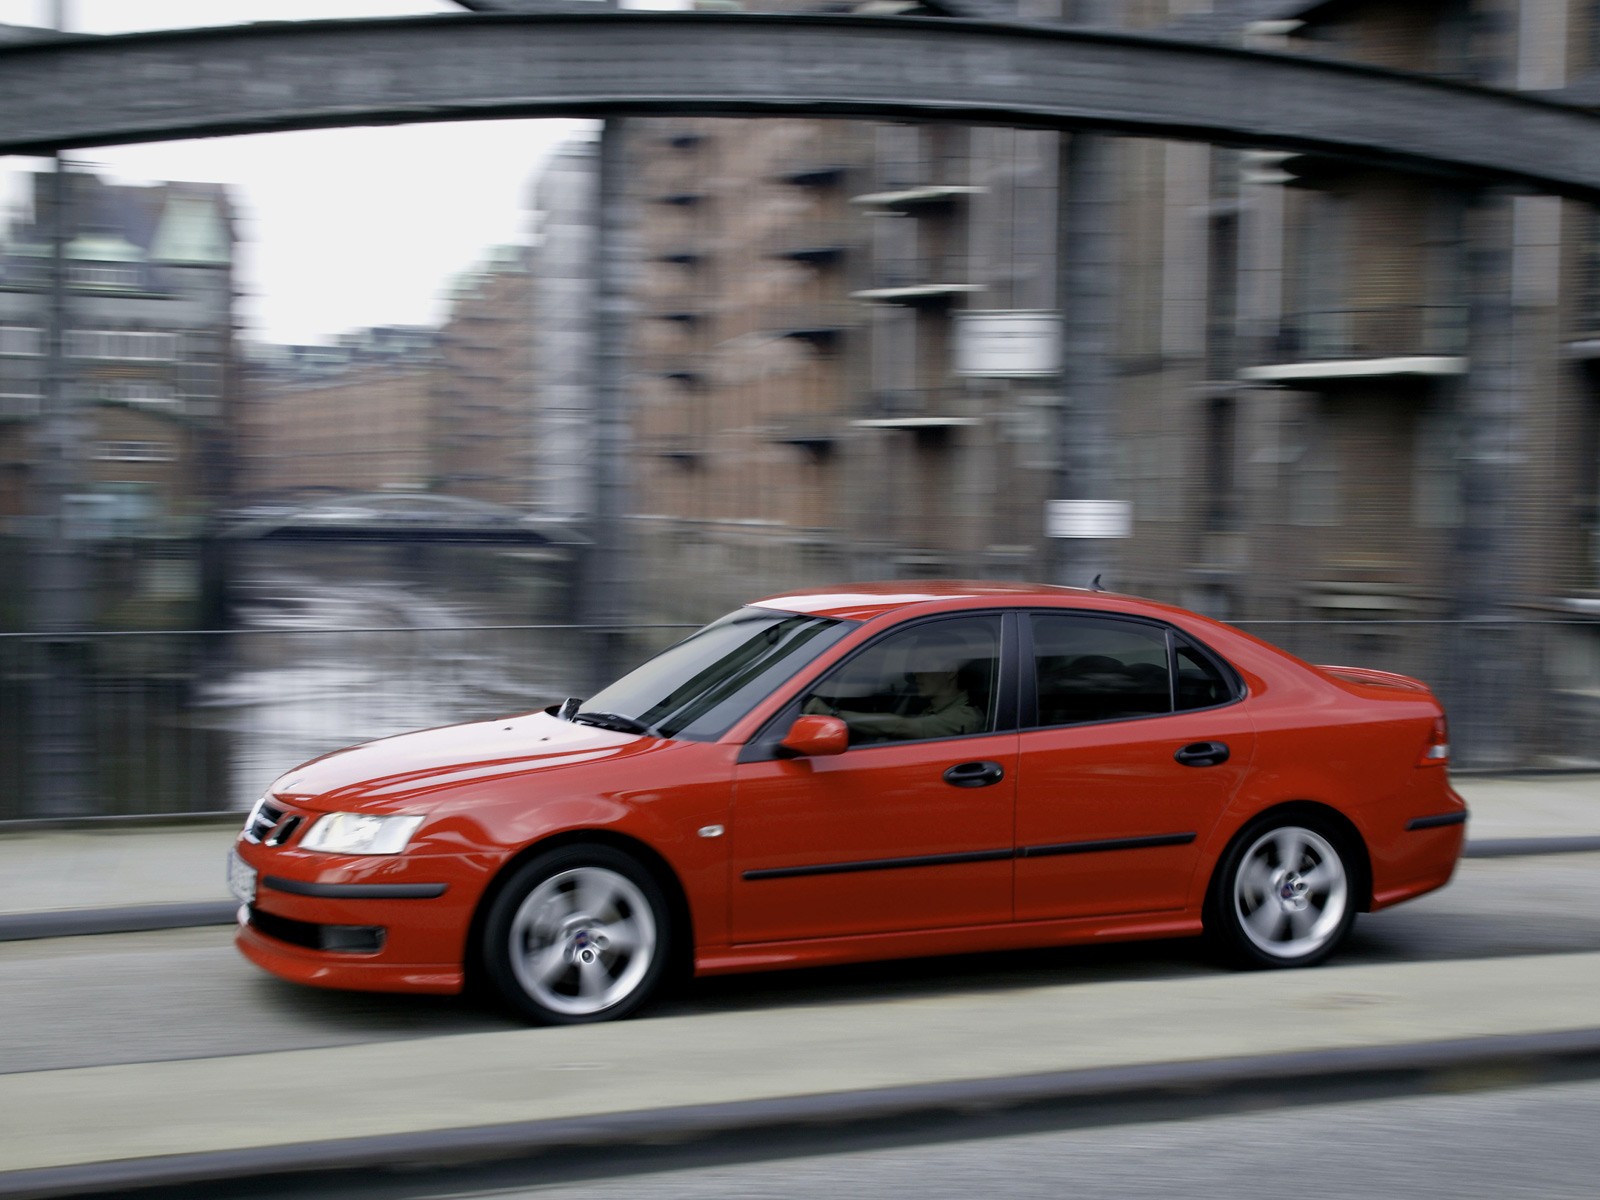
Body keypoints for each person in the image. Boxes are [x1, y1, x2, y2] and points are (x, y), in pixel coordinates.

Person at [803, 626, 986, 742]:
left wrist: (832, 714)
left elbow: (902, 727)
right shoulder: (929, 708)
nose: (916, 673)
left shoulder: (965, 717)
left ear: (950, 670)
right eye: (914, 665)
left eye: (923, 665)